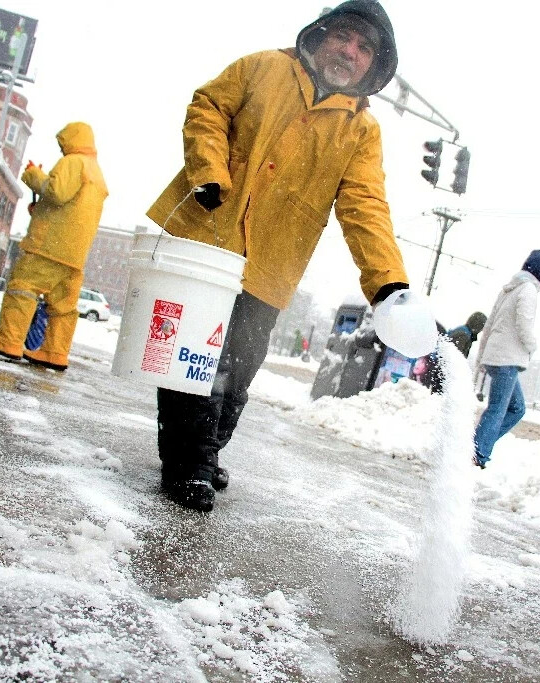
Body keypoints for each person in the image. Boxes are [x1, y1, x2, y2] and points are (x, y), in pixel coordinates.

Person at [146, 1, 409, 512]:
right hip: (210, 234)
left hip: (271, 263)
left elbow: (365, 205)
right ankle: (188, 464)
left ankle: (204, 449)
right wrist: (208, 170)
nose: (350, 52)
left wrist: (387, 282)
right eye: (345, 38)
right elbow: (208, 108)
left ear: (373, 64)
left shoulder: (360, 130)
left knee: (239, 368)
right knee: (196, 360)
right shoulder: (263, 67)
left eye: (364, 48)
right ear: (323, 34)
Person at [0, 122, 108, 371]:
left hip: (48, 245)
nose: (61, 149)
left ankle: (8, 340)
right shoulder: (96, 173)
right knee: (63, 306)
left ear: (72, 140)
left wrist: (34, 176)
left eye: (62, 143)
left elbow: (56, 192)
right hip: (74, 253)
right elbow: (71, 208)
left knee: (23, 287)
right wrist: (41, 209)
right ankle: (55, 352)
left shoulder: (73, 162)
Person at [472, 250, 540, 468]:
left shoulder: (508, 290)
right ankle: (477, 453)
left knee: (517, 409)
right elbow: (524, 325)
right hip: (507, 359)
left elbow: (488, 326)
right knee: (498, 409)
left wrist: (482, 358)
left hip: (496, 356)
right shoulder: (528, 290)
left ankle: (479, 444)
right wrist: (532, 346)